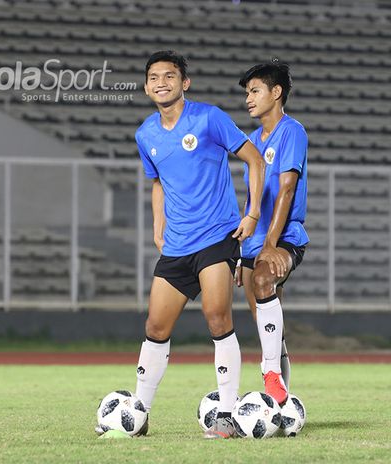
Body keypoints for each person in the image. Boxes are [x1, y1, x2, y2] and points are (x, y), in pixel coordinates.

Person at [108, 50, 264, 439]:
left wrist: (253, 213)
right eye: (155, 78)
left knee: (217, 318)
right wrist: (158, 225)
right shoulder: (145, 134)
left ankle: (227, 414)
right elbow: (157, 181)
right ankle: (139, 415)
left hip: (217, 238)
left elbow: (255, 160)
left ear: (184, 83)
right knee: (155, 326)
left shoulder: (209, 118)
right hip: (177, 246)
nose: (162, 83)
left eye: (170, 76)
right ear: (146, 88)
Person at [234, 60, 309, 406]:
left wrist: (269, 245)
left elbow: (287, 190)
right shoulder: (251, 140)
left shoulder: (292, 131)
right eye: (247, 92)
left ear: (276, 93)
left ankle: (271, 380)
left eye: (255, 91)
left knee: (265, 283)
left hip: (284, 238)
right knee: (267, 327)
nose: (248, 99)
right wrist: (243, 249)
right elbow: (252, 199)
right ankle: (281, 402)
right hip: (254, 243)